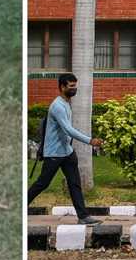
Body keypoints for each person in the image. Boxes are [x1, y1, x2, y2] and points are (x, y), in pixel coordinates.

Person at [26, 73, 103, 224]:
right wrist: (90, 140)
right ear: (62, 87)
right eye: (71, 86)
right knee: (42, 183)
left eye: (75, 86)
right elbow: (68, 129)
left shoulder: (66, 103)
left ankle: (83, 216)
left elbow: (66, 131)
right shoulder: (58, 106)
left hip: (67, 151)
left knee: (74, 183)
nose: (74, 89)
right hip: (54, 153)